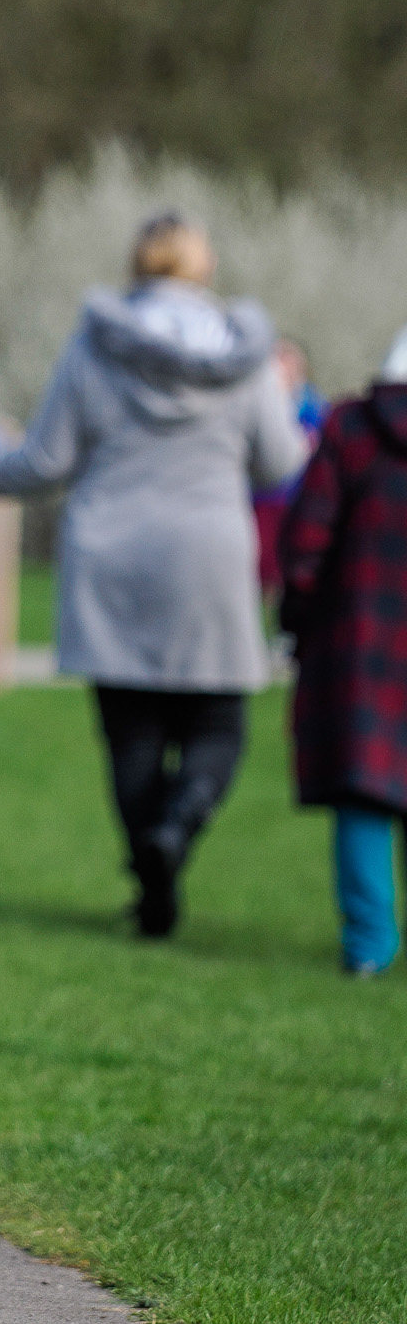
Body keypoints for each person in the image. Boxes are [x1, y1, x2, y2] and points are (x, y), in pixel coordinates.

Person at [0, 213, 307, 938]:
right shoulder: (245, 357)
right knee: (219, 725)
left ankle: (152, 896)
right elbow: (283, 463)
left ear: (137, 264)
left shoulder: (95, 344)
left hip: (111, 555)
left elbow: (46, 461)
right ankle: (180, 823)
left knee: (132, 732)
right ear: (204, 269)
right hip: (207, 554)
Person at [277, 325, 407, 976]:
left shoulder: (351, 428)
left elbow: (308, 536)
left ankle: (369, 945)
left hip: (362, 642)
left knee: (365, 793)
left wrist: (296, 614)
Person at [253, 340, 327, 595]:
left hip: (294, 498)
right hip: (257, 497)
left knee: (282, 567)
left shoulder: (313, 404)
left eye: (286, 358)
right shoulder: (259, 400)